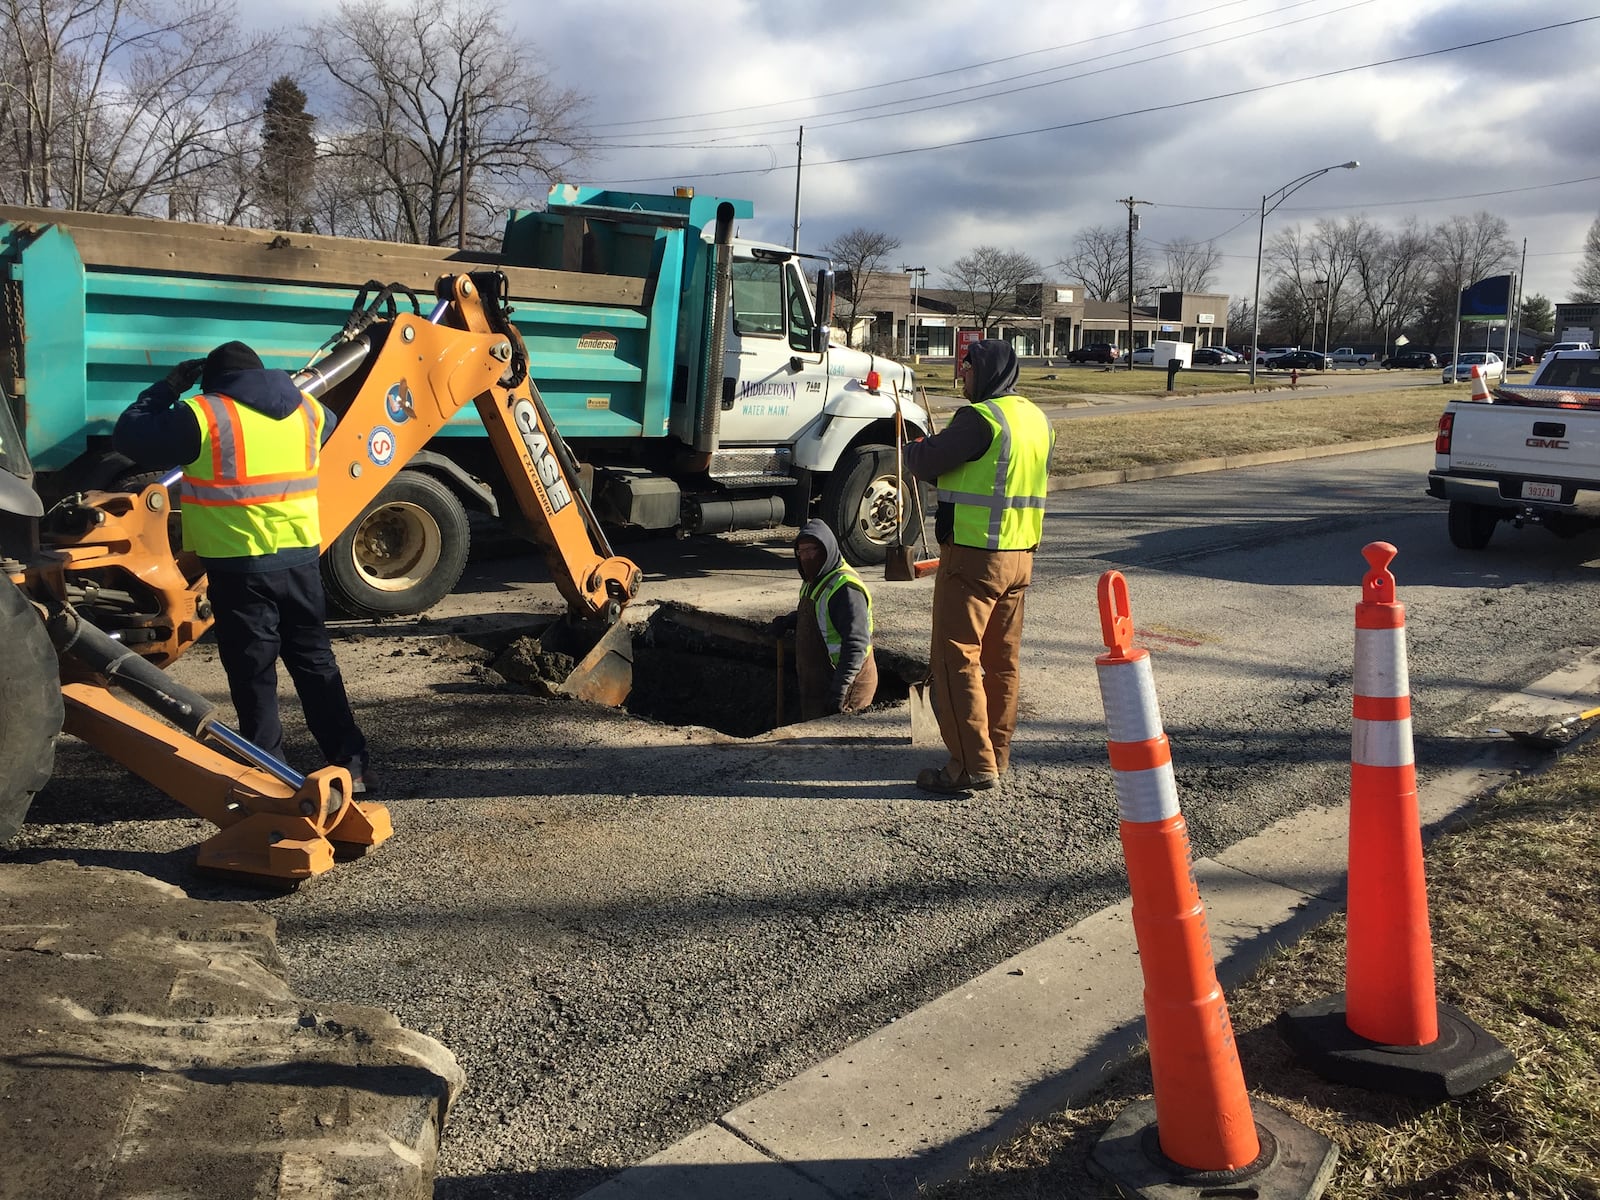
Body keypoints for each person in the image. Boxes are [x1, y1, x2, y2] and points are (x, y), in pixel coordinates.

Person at [113, 341, 371, 792]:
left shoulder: (204, 413)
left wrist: (168, 387)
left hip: (240, 564)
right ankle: (352, 763)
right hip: (300, 558)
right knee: (314, 661)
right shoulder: (308, 409)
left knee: (253, 668)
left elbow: (132, 436)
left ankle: (267, 770)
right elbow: (330, 428)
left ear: (213, 380)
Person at [903, 339, 1053, 795]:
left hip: (974, 558)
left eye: (966, 367)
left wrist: (911, 444)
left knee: (955, 661)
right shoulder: (1035, 418)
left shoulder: (980, 418)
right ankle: (995, 755)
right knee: (1001, 663)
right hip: (1020, 556)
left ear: (986, 370)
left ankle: (969, 766)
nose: (960, 374)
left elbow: (925, 461)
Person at [770, 518, 877, 720]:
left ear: (827, 550)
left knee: (841, 746)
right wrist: (789, 621)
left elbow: (856, 644)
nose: (807, 557)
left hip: (847, 683)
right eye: (802, 551)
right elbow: (820, 615)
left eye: (813, 550)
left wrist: (840, 690)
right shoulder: (815, 580)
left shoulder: (845, 589)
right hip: (819, 682)